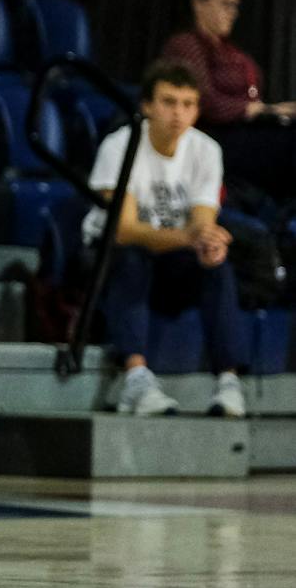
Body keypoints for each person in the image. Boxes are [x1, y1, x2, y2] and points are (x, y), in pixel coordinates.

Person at [87, 60, 246, 417]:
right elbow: (124, 229)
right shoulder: (120, 145)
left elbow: (202, 222)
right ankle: (136, 378)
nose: (178, 113)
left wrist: (208, 242)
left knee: (217, 267)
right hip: (107, 256)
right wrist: (191, 237)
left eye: (188, 104)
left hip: (171, 255)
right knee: (131, 257)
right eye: (168, 102)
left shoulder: (206, 150)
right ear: (146, 106)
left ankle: (228, 381)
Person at [161, 0, 296, 202]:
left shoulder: (231, 51)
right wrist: (254, 109)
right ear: (199, 4)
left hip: (246, 135)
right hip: (214, 139)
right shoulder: (186, 45)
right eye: (226, 4)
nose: (233, 12)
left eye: (235, 5)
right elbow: (202, 100)